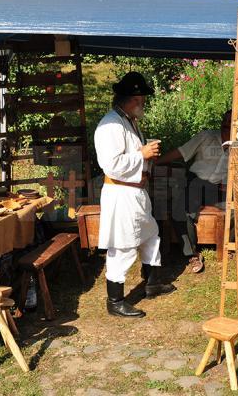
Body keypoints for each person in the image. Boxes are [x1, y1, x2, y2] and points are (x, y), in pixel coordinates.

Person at [94, 71, 175, 318]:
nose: (144, 104)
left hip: (137, 193)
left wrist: (147, 157)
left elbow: (136, 155)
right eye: (142, 99)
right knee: (123, 245)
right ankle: (115, 300)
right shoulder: (110, 125)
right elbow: (111, 165)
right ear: (133, 99)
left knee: (150, 235)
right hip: (121, 194)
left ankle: (152, 283)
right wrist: (142, 154)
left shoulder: (129, 121)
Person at [156, 110, 238, 272]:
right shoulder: (206, 137)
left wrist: (232, 181)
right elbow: (182, 151)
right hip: (198, 183)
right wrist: (156, 162)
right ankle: (192, 254)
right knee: (180, 210)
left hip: (224, 187)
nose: (229, 124)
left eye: (234, 121)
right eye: (226, 121)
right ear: (222, 122)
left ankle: (230, 246)